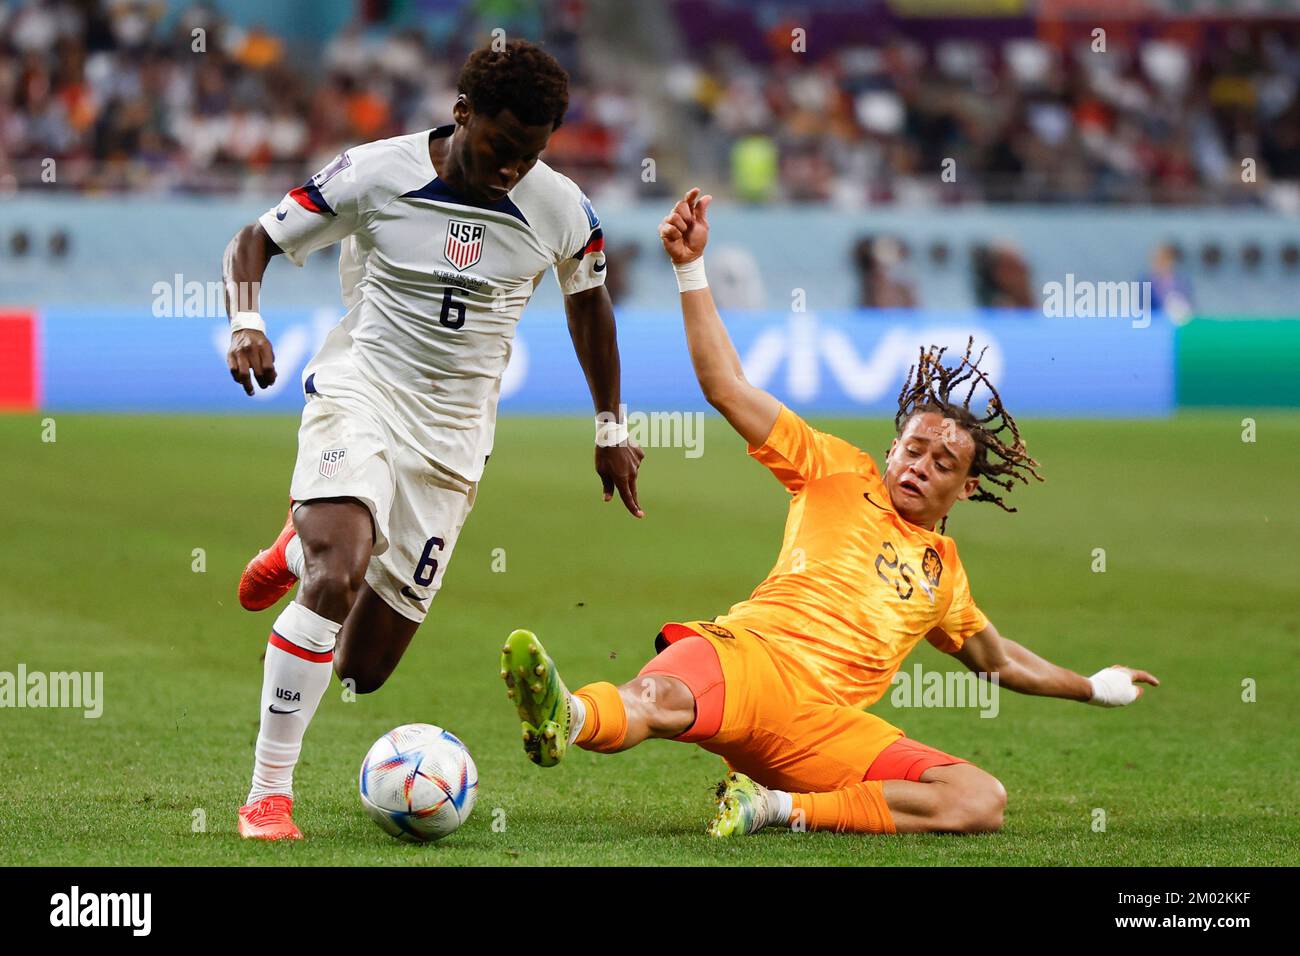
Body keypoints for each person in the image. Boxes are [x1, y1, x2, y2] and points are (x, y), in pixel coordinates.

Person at [500, 188, 1158, 837]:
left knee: (979, 799)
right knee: (658, 699)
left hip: (824, 730)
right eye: (913, 449)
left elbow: (1001, 662)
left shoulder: (945, 576)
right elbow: (727, 387)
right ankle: (568, 716)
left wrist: (1093, 687)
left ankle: (776, 810)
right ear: (891, 450)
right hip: (749, 660)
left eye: (942, 463)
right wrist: (690, 268)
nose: (920, 466)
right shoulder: (838, 469)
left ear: (963, 490)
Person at [221, 40, 644, 840]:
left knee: (363, 670)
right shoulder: (374, 173)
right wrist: (246, 322)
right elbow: (255, 240)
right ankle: (267, 796)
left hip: (451, 442)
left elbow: (590, 305)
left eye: (532, 153)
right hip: (363, 392)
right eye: (499, 146)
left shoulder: (561, 209)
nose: (512, 167)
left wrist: (610, 427)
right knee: (337, 574)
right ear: (462, 115)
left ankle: (293, 547)